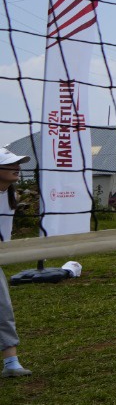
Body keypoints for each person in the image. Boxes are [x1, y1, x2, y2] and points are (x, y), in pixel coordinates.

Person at [0, 149, 32, 378]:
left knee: (3, 309)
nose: (17, 167)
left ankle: (11, 363)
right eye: (11, 164)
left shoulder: (12, 194)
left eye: (18, 163)